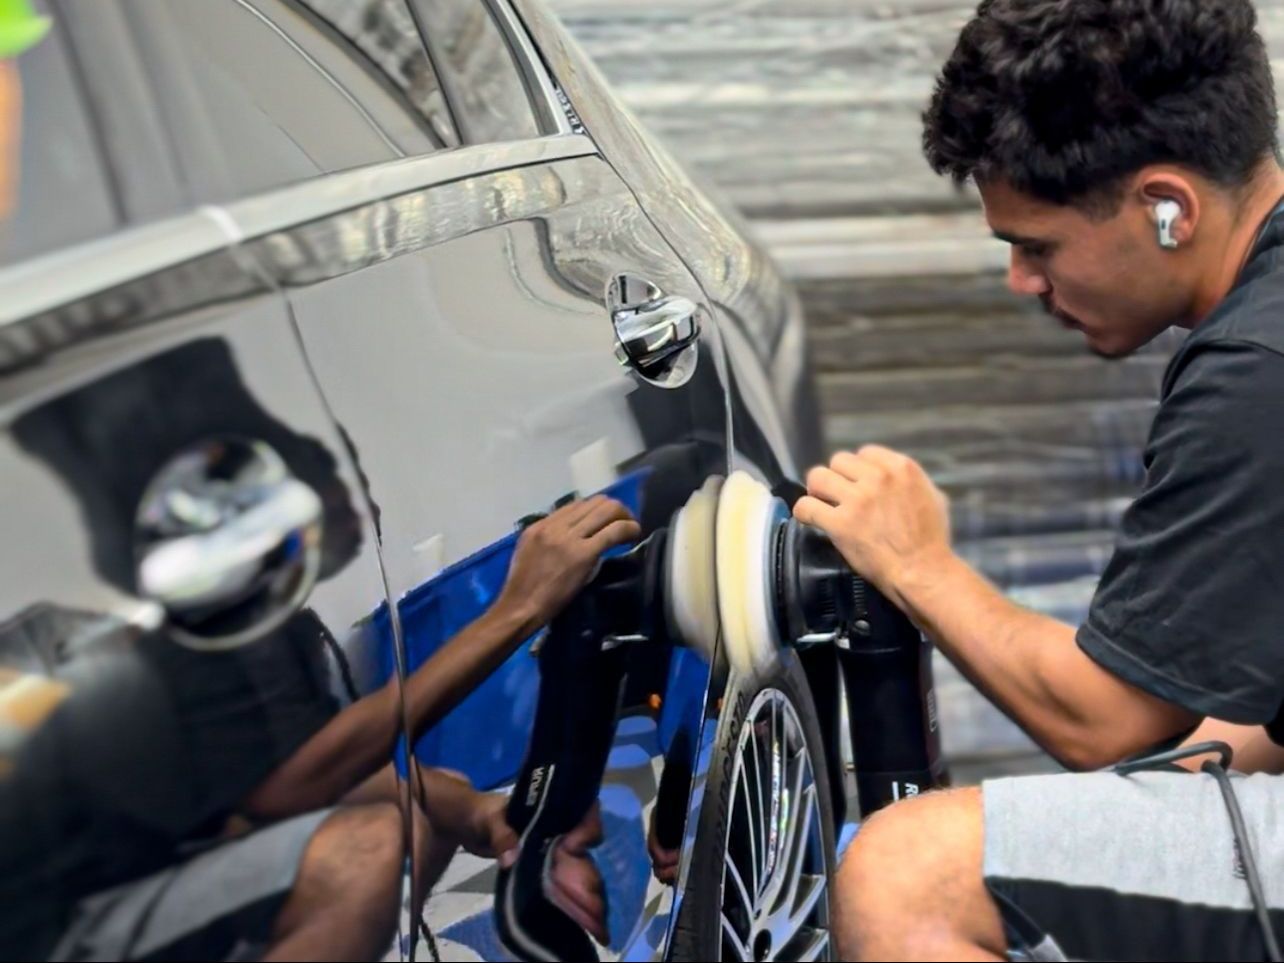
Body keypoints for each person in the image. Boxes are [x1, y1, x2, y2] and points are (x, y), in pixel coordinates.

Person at [793, 1, 1284, 959]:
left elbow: (1105, 719)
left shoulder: (1258, 368)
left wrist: (912, 560)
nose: (1023, 281)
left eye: (1038, 244)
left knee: (908, 871)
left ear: (1167, 205)